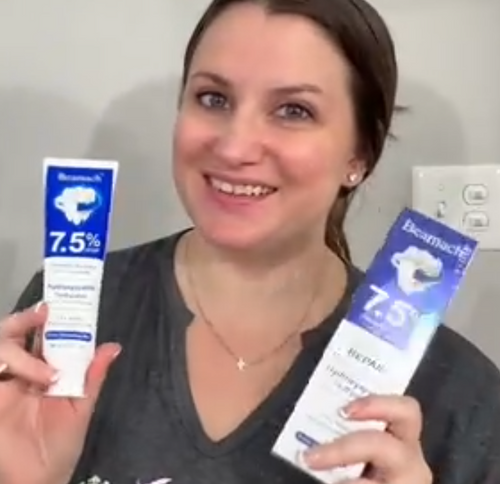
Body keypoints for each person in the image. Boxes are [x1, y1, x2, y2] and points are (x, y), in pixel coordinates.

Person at [0, 1, 499, 483]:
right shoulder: (68, 312)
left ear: (359, 157)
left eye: (294, 110)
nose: (235, 147)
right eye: (213, 99)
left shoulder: (460, 395)